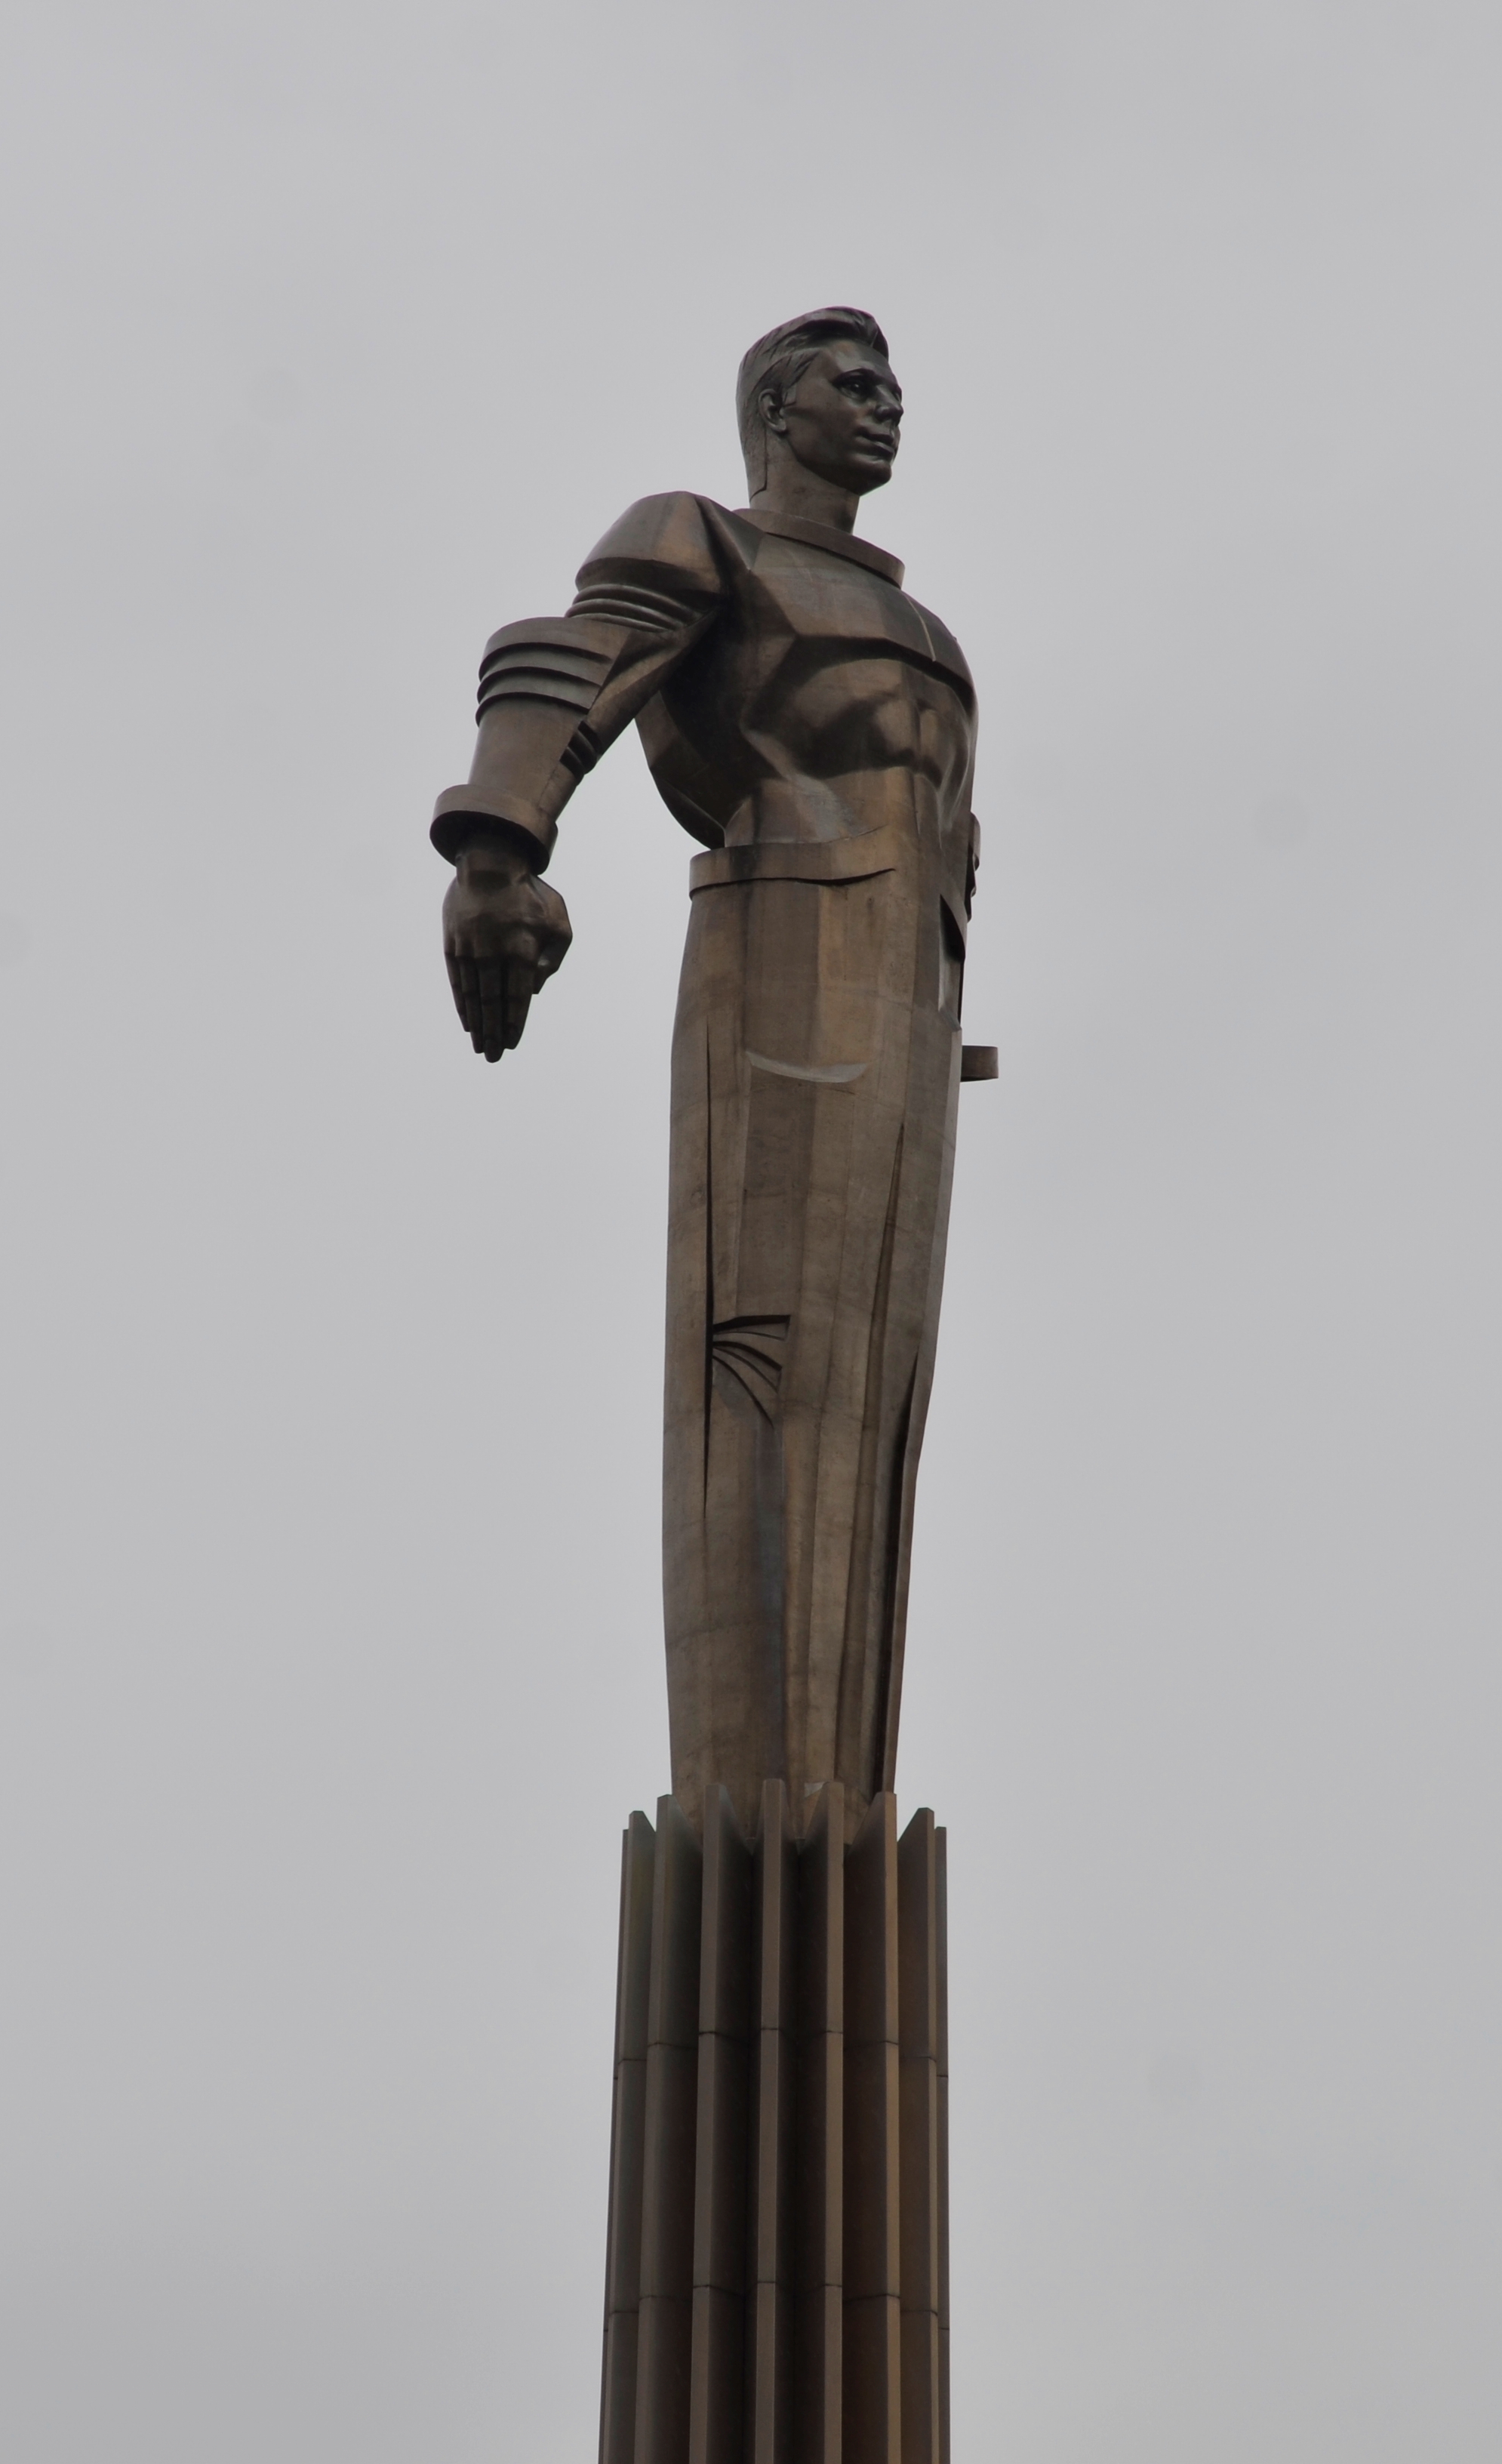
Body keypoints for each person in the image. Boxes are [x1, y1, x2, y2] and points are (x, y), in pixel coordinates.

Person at [429, 308, 986, 1808]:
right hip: (790, 957)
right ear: (772, 408)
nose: (883, 410)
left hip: (914, 1019)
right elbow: (570, 662)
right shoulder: (704, 540)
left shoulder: (928, 635)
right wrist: (498, 851)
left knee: (880, 1413)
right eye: (850, 384)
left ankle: (835, 1804)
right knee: (773, 1371)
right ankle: (766, 1821)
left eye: (893, 389)